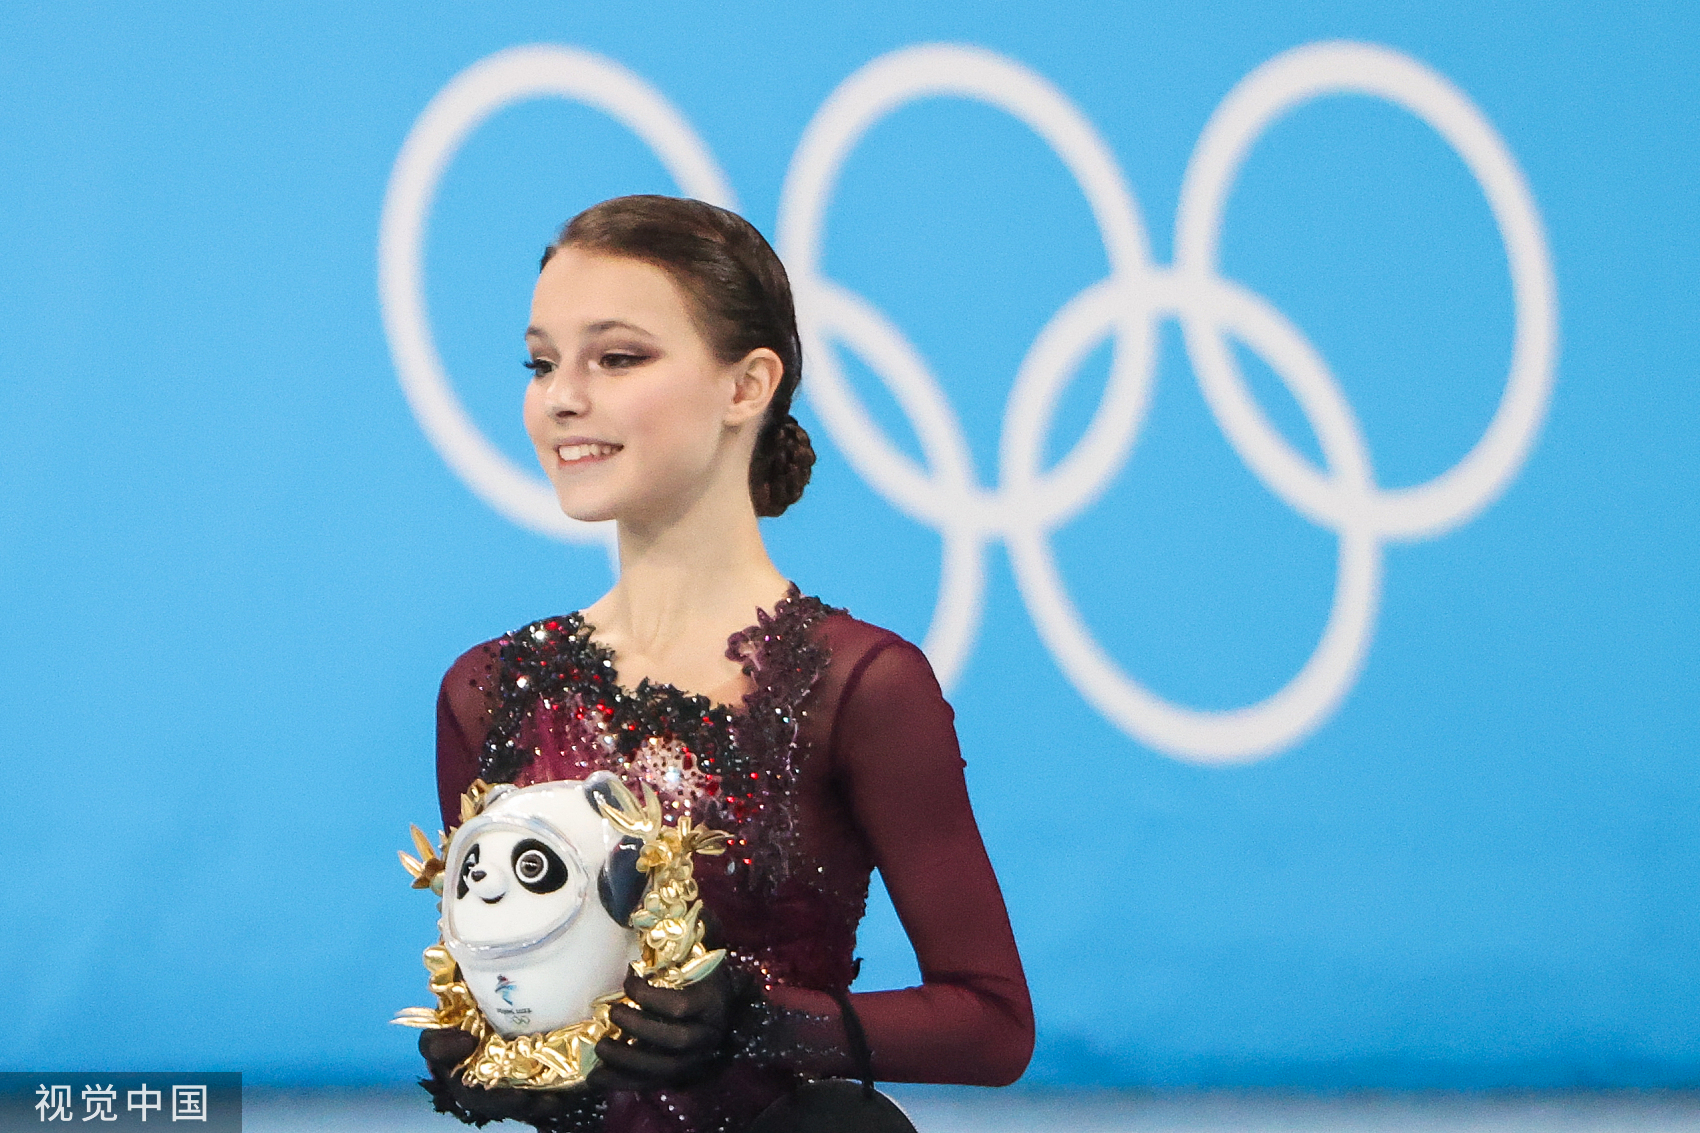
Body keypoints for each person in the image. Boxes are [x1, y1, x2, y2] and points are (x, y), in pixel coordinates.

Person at [417, 195, 1033, 1132]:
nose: (563, 396)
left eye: (618, 357)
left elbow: (993, 1024)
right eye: (542, 363)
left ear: (747, 386)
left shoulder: (858, 686)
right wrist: (481, 1053)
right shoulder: (490, 692)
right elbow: (500, 1005)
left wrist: (767, 1026)